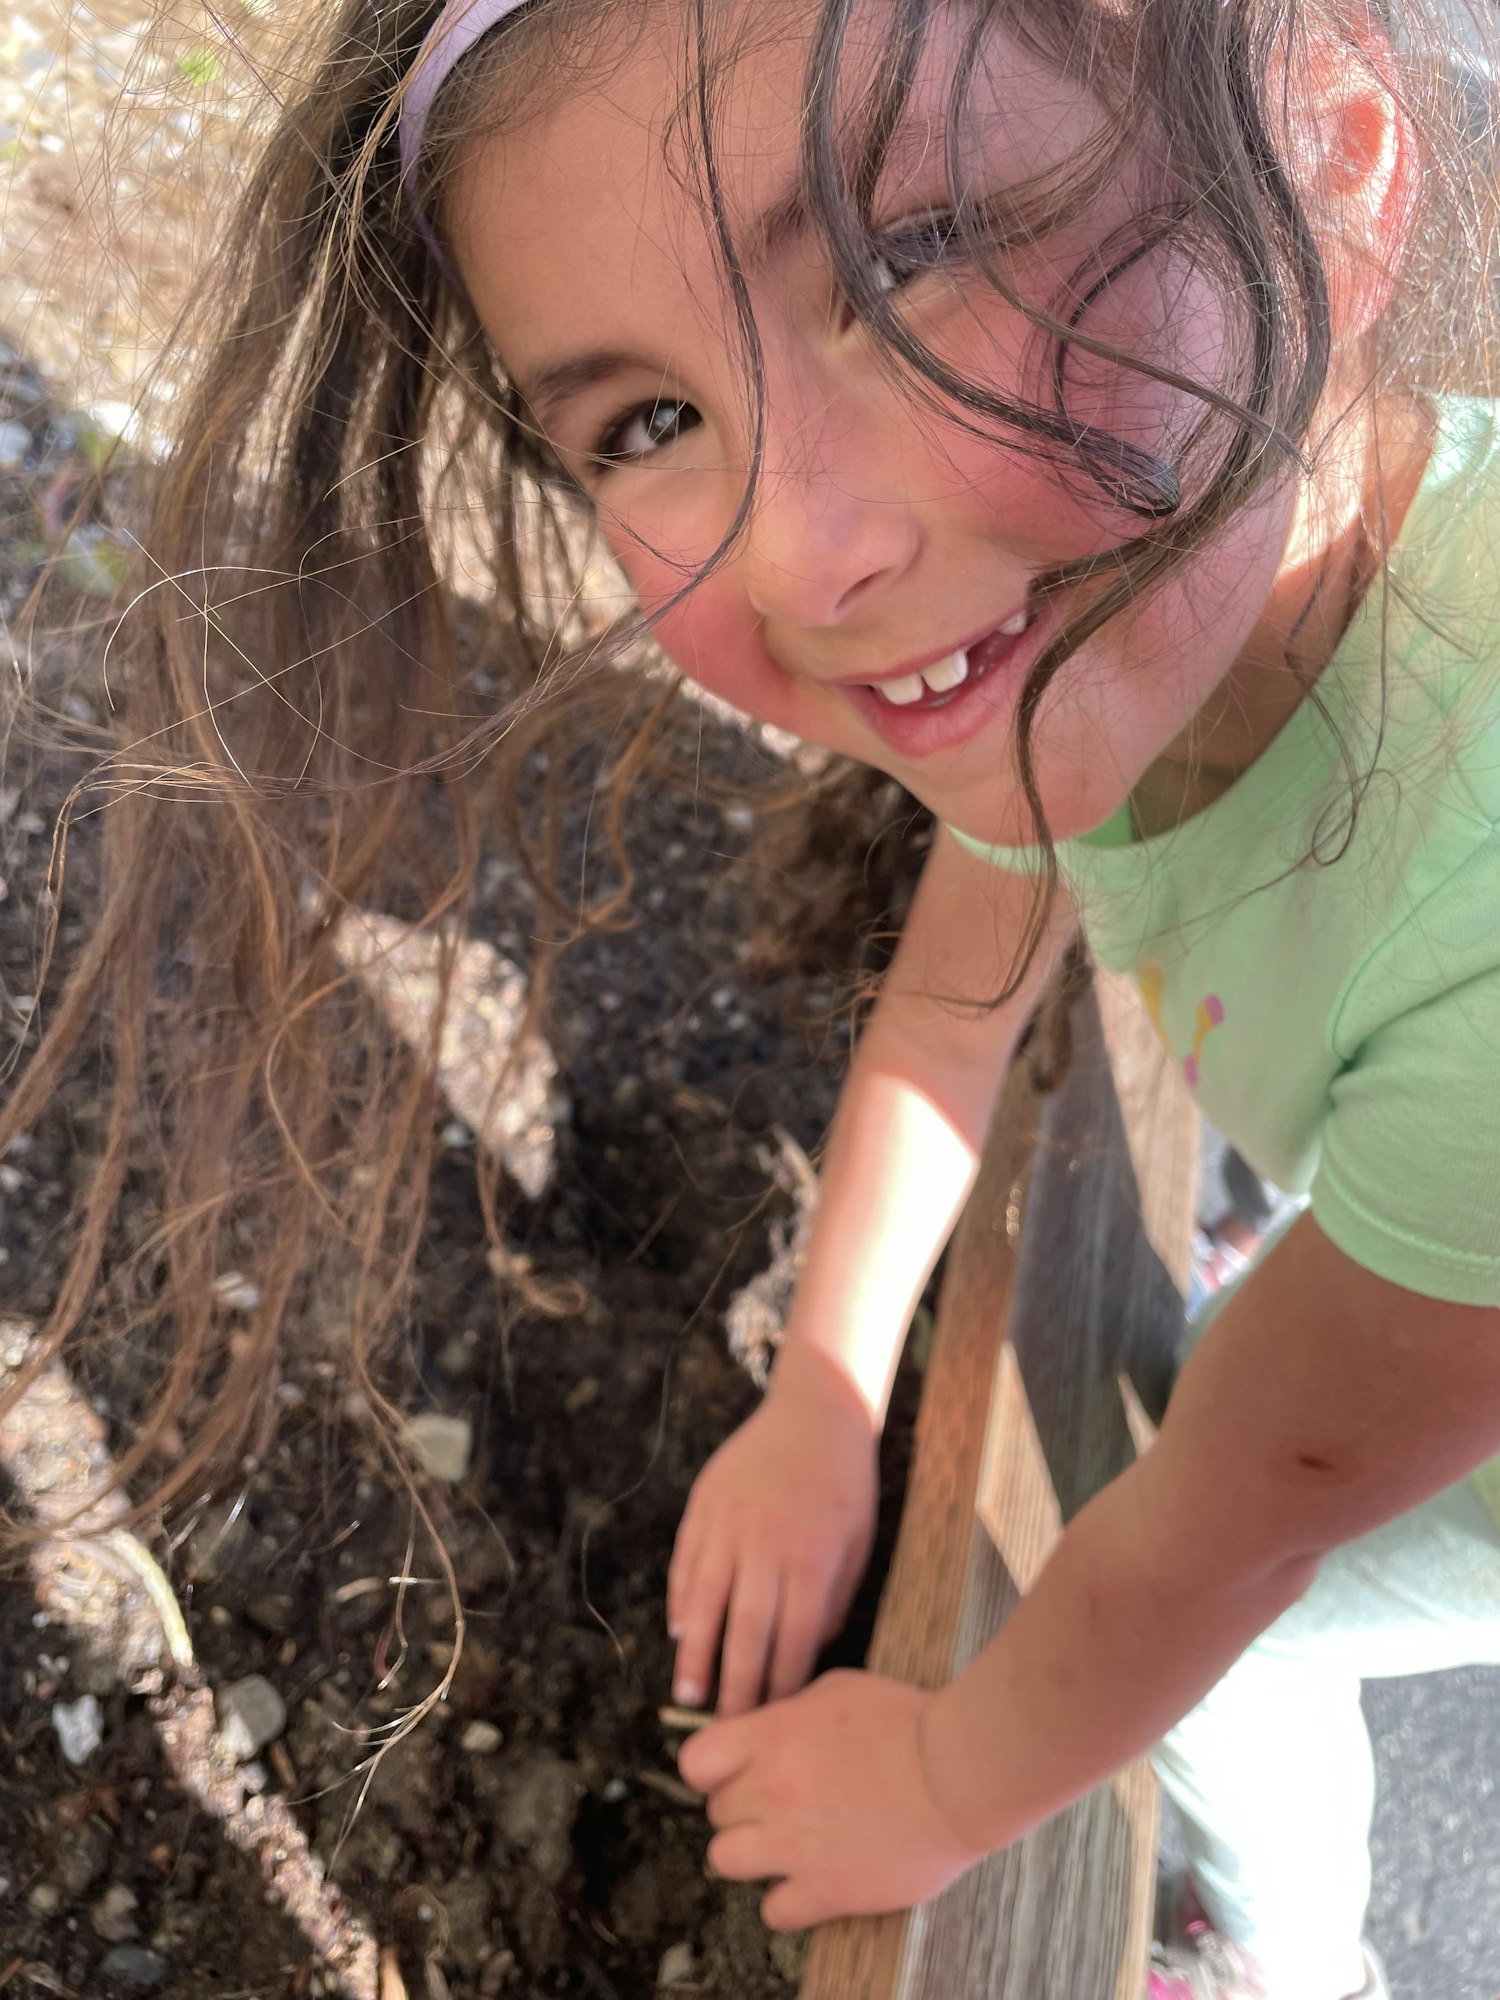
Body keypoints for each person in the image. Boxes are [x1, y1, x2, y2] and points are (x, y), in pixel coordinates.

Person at [6, 2, 1500, 1996]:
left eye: (915, 257)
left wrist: (951, 1779)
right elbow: (953, 1021)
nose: (805, 552)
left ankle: (1296, 1963)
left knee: (1222, 1657)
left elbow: (1237, 1526)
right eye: (645, 421)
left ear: (1330, 152)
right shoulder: (1117, 631)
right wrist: (824, 1392)